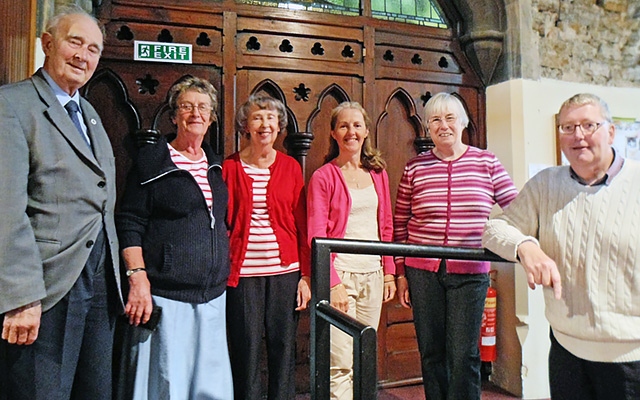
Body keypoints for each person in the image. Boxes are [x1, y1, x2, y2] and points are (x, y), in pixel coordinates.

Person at [0, 6, 124, 400]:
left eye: (93, 49)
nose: (83, 56)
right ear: (47, 43)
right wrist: (20, 297)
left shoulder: (89, 113)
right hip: (48, 287)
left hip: (100, 285)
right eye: (75, 42)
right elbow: (6, 209)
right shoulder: (12, 105)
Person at [482, 93, 640, 399]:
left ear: (610, 132)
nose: (578, 136)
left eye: (588, 125)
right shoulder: (546, 185)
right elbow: (493, 229)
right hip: (567, 350)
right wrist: (526, 246)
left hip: (630, 358)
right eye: (568, 127)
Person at [394, 92, 517, 400]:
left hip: (470, 271)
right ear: (427, 127)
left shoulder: (486, 162)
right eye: (435, 119)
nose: (443, 125)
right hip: (422, 272)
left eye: (450, 118)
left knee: (464, 354)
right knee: (432, 351)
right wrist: (400, 272)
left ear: (463, 123)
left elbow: (518, 208)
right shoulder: (415, 168)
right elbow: (399, 224)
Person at [116, 76, 233, 399]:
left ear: (210, 118)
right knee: (167, 386)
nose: (195, 113)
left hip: (212, 297)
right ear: (173, 115)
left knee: (208, 389)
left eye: (203, 108)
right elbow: (129, 222)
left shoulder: (216, 165)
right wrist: (137, 279)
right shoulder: (152, 162)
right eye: (187, 106)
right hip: (168, 298)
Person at [223, 94, 311, 400]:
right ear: (246, 125)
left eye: (271, 118)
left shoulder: (290, 167)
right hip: (243, 274)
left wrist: (306, 276)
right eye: (258, 118)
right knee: (245, 350)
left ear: (279, 126)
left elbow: (301, 226)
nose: (265, 124)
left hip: (285, 272)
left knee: (283, 348)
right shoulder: (229, 168)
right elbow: (223, 223)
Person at [307, 101, 396, 400]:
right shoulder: (324, 176)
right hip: (341, 277)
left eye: (357, 125)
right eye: (343, 125)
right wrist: (332, 282)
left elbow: (386, 225)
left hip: (373, 274)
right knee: (341, 362)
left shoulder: (378, 173)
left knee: (365, 359)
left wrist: (389, 274)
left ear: (367, 131)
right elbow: (316, 234)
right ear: (333, 133)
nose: (351, 132)